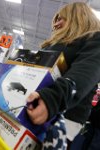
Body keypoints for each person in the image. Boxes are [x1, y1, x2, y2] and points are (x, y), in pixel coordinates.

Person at [26, 2, 100, 147]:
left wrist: (53, 98)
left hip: (61, 115)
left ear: (78, 17)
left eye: (62, 18)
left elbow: (84, 73)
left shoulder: (94, 39)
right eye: (56, 20)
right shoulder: (54, 44)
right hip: (36, 104)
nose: (56, 24)